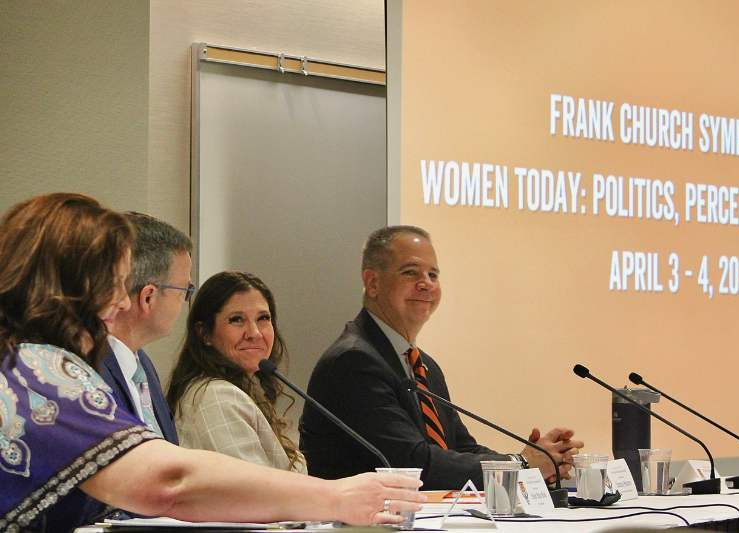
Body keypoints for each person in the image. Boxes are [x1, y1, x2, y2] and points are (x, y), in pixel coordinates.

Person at [0, 194, 424, 533]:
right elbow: (167, 482)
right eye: (113, 281)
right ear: (70, 283)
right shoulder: (35, 368)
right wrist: (335, 497)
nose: (122, 301)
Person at [300, 225, 584, 490]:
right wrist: (520, 466)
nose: (427, 284)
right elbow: (413, 464)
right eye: (411, 272)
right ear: (373, 283)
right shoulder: (353, 361)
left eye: (433, 275)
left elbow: (461, 449)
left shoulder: (423, 365)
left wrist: (533, 464)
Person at [167, 271, 305, 473]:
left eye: (263, 318)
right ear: (204, 332)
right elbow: (257, 496)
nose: (254, 333)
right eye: (237, 319)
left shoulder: (232, 390)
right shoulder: (217, 398)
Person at [101, 212, 193, 445]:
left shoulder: (143, 367)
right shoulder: (87, 370)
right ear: (148, 297)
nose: (185, 301)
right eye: (184, 290)